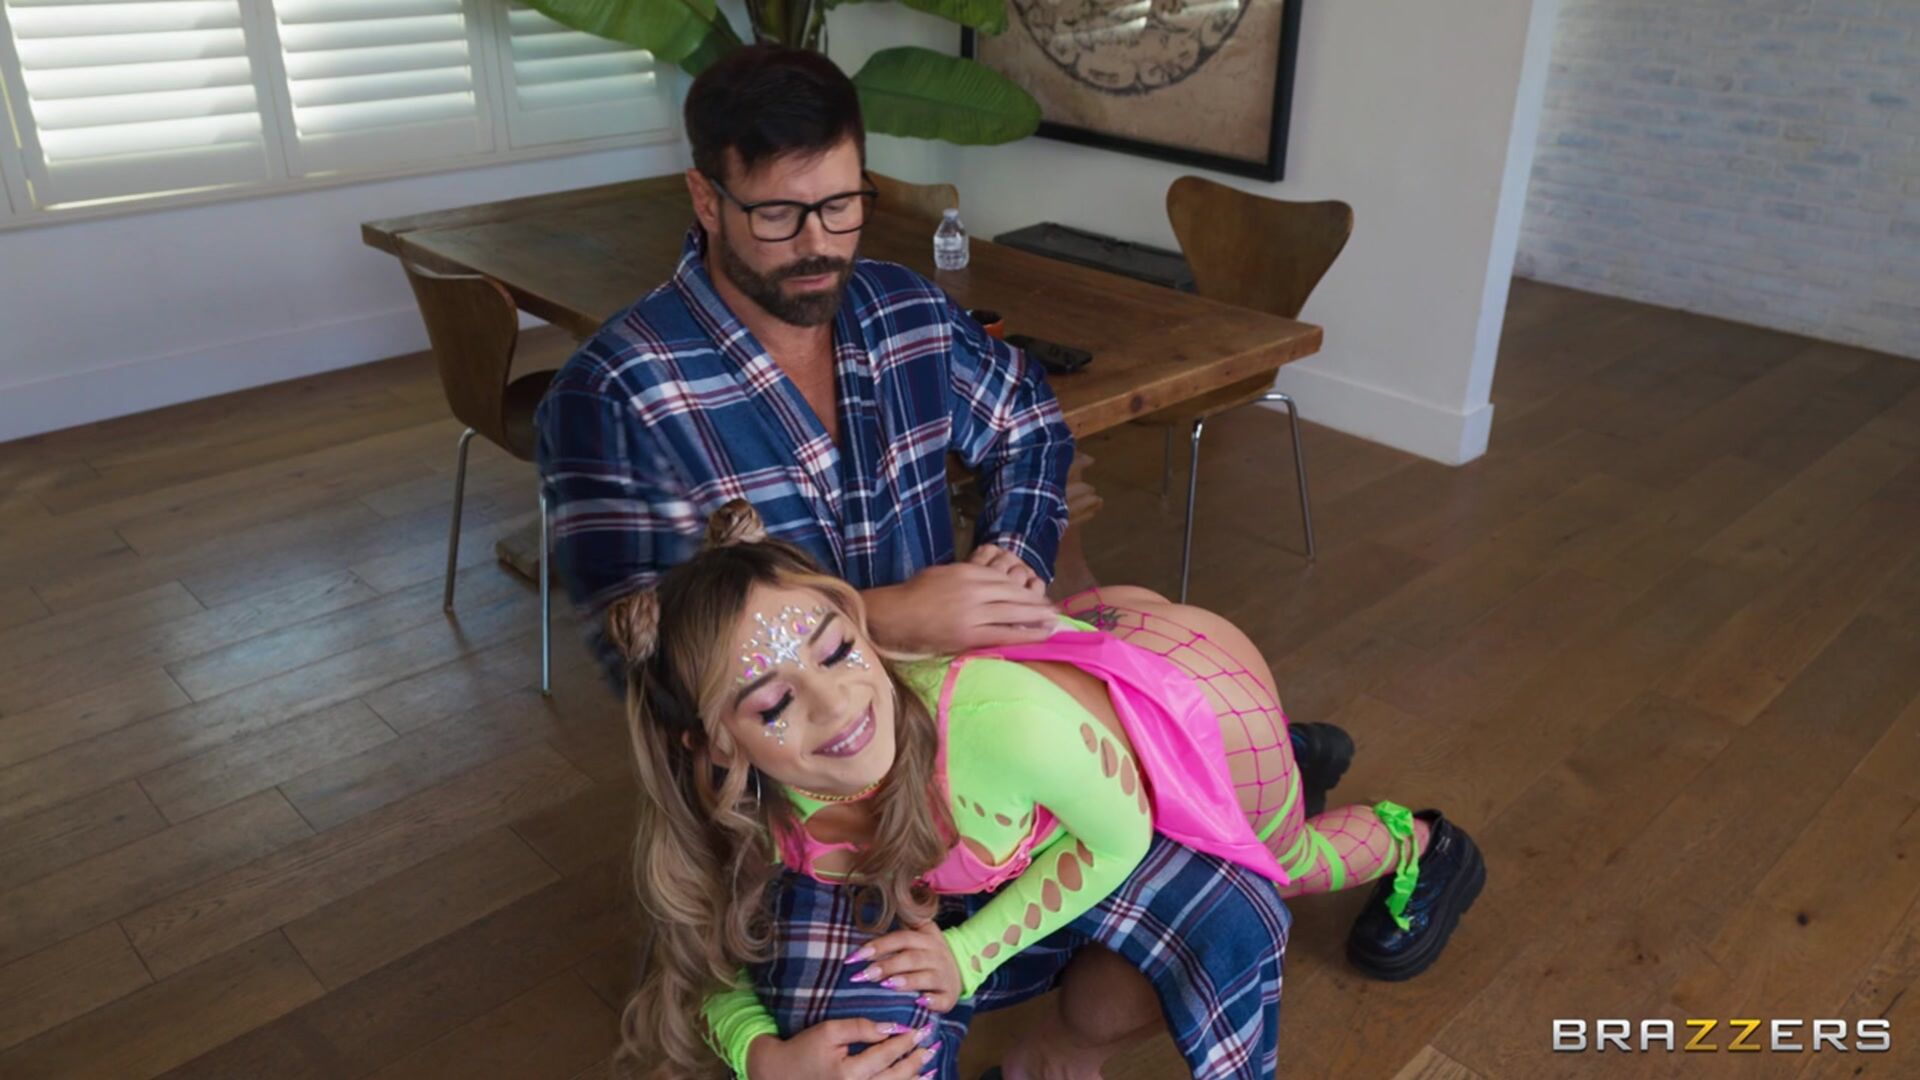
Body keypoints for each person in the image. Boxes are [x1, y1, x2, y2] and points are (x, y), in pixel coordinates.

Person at [612, 501, 1487, 1079]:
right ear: (712, 743)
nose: (839, 707)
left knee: (1279, 866)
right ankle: (1294, 760)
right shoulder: (733, 803)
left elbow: (1119, 839)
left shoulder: (1004, 730)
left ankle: (1417, 840)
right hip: (1076, 723)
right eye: (772, 705)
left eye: (842, 651)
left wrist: (968, 955)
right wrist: (761, 1056)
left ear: (864, 628)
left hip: (1199, 695)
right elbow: (700, 960)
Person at [534, 43, 1072, 680]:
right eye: (777, 214)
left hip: (950, 702)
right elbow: (642, 655)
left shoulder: (907, 310)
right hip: (779, 743)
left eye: (840, 206)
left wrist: (1013, 552)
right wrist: (873, 618)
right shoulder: (612, 395)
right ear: (706, 200)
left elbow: (1026, 421)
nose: (818, 245)